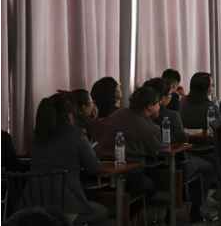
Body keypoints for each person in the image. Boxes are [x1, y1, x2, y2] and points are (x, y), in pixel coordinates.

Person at [30, 93, 111, 226]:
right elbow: (95, 168)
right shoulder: (76, 134)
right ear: (69, 114)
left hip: (32, 205)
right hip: (65, 208)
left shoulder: (37, 137)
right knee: (102, 211)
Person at [143, 78, 214, 223]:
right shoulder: (171, 115)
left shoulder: (139, 115)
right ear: (162, 98)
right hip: (174, 166)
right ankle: (197, 210)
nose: (171, 97)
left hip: (145, 168)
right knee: (207, 167)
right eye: (170, 94)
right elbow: (182, 139)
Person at [95, 86, 161, 160]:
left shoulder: (118, 113)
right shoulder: (149, 129)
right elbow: (157, 152)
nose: (159, 106)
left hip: (101, 161)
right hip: (129, 165)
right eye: (158, 103)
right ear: (150, 106)